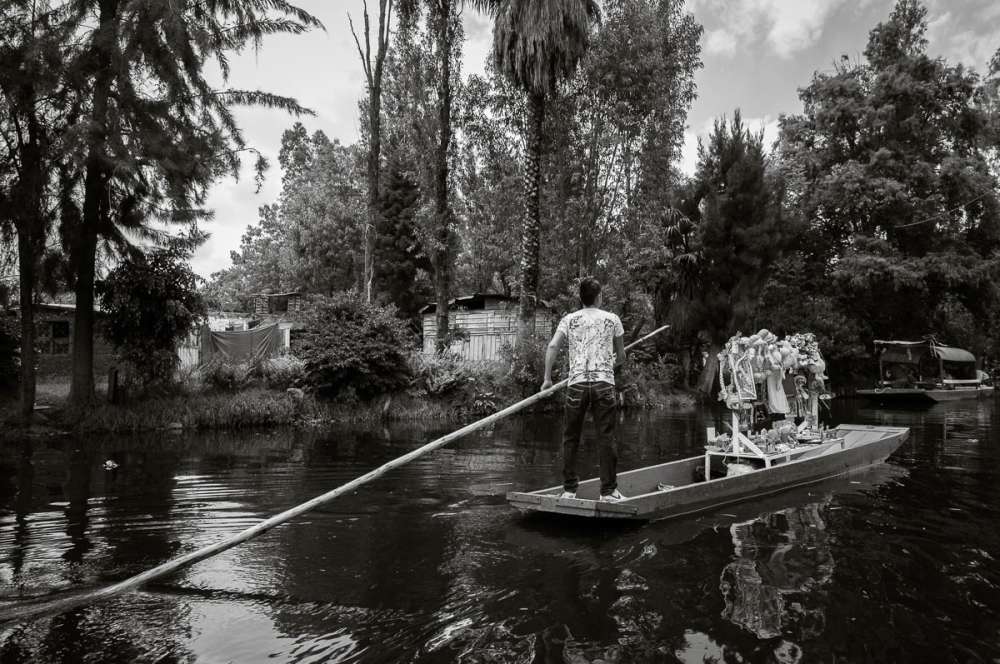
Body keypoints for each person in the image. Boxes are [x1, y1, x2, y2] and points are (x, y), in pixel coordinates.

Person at [541, 277, 627, 502]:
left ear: (581, 298)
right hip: (603, 384)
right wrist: (610, 361)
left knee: (571, 438)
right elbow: (621, 358)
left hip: (576, 384)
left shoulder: (568, 320)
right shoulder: (612, 319)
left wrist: (547, 379)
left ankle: (569, 490)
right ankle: (607, 492)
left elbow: (552, 346)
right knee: (606, 438)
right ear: (599, 296)